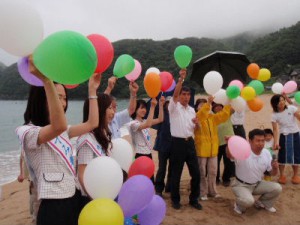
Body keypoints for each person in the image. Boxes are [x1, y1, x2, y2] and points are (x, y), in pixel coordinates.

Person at [15, 56, 101, 225]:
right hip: (53, 205)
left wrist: (92, 92)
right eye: (56, 97)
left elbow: (92, 123)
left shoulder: (62, 130)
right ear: (41, 98)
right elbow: (58, 126)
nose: (62, 103)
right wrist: (46, 81)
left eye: (64, 98)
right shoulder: (28, 132)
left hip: (74, 196)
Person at [227, 129, 282, 214]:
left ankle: (262, 203)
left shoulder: (266, 153)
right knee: (248, 201)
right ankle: (238, 205)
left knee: (277, 188)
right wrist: (229, 143)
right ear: (250, 141)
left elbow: (272, 173)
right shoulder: (243, 150)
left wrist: (275, 168)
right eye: (258, 141)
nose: (261, 143)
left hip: (257, 184)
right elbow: (229, 155)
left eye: (263, 141)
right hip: (241, 185)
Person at [168, 69, 201, 210]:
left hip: (190, 142)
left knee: (196, 173)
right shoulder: (173, 107)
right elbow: (174, 95)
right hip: (177, 143)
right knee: (176, 173)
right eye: (184, 94)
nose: (186, 97)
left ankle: (194, 199)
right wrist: (180, 80)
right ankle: (175, 200)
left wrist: (197, 124)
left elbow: (196, 129)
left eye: (188, 95)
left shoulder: (192, 110)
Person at [76, 93, 115, 207]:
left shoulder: (103, 135)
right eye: (109, 108)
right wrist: (94, 199)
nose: (113, 112)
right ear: (99, 110)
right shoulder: (87, 139)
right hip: (90, 198)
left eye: (113, 108)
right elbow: (81, 175)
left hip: (103, 193)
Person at [194, 97, 231, 200]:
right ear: (197, 108)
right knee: (202, 172)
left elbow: (223, 116)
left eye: (205, 105)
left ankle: (213, 191)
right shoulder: (197, 117)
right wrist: (208, 103)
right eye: (200, 105)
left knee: (213, 171)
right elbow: (202, 114)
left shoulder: (212, 117)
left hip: (213, 149)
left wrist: (228, 104)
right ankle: (203, 192)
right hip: (201, 149)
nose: (203, 107)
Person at [129, 97, 164, 182]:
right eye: (141, 108)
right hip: (140, 156)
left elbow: (160, 119)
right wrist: (152, 107)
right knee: (142, 180)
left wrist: (161, 105)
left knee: (150, 180)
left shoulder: (144, 121)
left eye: (145, 108)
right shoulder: (133, 123)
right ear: (135, 109)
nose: (144, 110)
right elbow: (148, 124)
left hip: (149, 154)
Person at [271, 94, 300, 184]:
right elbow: (275, 130)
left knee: (296, 155)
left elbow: (299, 117)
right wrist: (275, 142)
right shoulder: (274, 115)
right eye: (279, 101)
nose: (282, 102)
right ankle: (282, 175)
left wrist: (298, 114)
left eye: (283, 100)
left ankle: (295, 175)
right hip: (284, 136)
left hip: (295, 134)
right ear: (275, 103)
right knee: (282, 156)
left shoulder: (291, 108)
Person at [213, 103, 235, 187]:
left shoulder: (227, 113)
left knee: (229, 161)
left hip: (228, 141)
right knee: (216, 162)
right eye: (216, 106)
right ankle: (216, 179)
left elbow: (233, 108)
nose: (218, 107)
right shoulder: (212, 116)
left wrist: (229, 100)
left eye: (220, 105)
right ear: (213, 108)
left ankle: (226, 179)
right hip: (216, 143)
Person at [154, 96, 172, 197]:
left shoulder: (175, 114)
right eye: (167, 103)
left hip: (174, 145)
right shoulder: (161, 113)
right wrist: (160, 103)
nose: (169, 105)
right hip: (162, 145)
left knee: (172, 168)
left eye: (171, 103)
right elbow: (156, 110)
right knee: (162, 168)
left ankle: (169, 187)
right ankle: (159, 189)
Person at [17, 149, 40, 223]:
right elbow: (21, 158)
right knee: (35, 200)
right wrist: (21, 173)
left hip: (37, 178)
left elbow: (21, 158)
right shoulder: (26, 145)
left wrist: (22, 174)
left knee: (35, 200)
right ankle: (35, 218)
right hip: (33, 179)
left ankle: (34, 216)